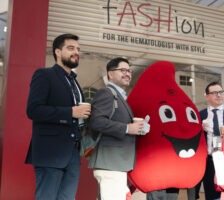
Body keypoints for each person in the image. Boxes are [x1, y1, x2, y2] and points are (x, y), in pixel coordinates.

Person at [25, 33, 91, 200]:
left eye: (78, 49)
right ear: (57, 52)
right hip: (50, 153)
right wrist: (70, 112)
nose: (76, 52)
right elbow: (33, 110)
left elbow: (77, 116)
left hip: (73, 155)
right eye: (70, 48)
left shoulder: (75, 82)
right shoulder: (44, 75)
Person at [88, 57, 149, 200]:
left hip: (116, 164)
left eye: (129, 71)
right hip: (110, 163)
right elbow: (96, 121)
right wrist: (128, 128)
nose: (127, 74)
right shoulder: (106, 93)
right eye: (122, 70)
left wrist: (139, 128)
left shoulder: (120, 97)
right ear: (110, 74)